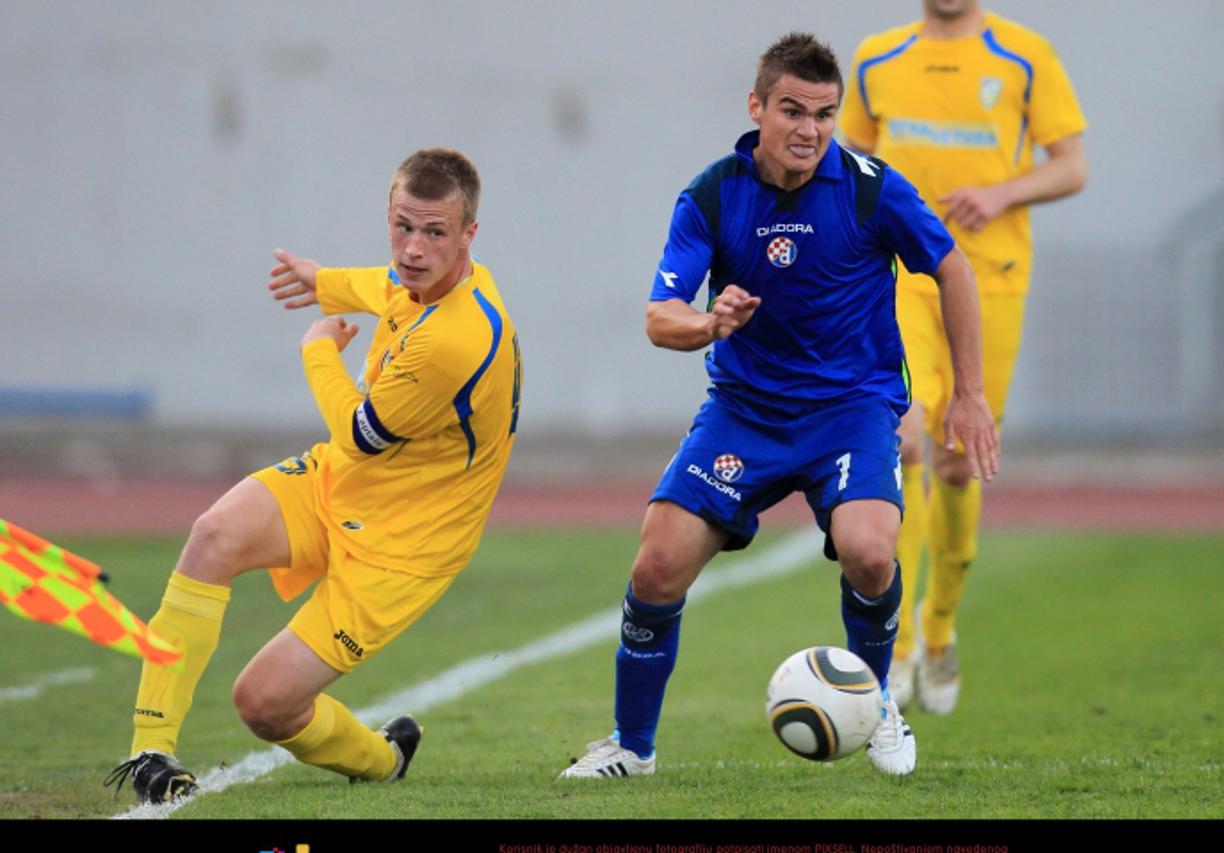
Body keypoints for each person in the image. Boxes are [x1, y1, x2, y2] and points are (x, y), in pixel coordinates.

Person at [559, 32, 998, 781]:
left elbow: (952, 266)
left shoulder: (870, 187)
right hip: (746, 413)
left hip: (852, 409)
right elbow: (661, 314)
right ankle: (632, 746)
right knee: (656, 566)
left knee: (869, 549)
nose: (809, 129)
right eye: (792, 110)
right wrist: (709, 323)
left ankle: (877, 698)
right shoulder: (713, 193)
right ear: (756, 107)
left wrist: (969, 393)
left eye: (824, 114)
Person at [103, 148, 522, 803]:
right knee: (213, 534)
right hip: (342, 485)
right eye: (402, 226)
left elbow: (360, 434)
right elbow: (381, 284)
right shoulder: (420, 277)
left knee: (263, 704)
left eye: (435, 232)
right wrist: (323, 280)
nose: (413, 248)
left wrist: (318, 350)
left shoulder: (458, 338)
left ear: (470, 235)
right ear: (389, 214)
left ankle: (383, 759)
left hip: (406, 547)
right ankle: (151, 749)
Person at [837, 0, 1087, 714]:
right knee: (904, 433)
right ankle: (901, 651)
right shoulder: (878, 57)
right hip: (904, 280)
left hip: (991, 277)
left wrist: (1002, 192)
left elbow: (1071, 165)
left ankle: (939, 630)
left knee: (955, 460)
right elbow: (849, 163)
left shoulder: (1023, 55)